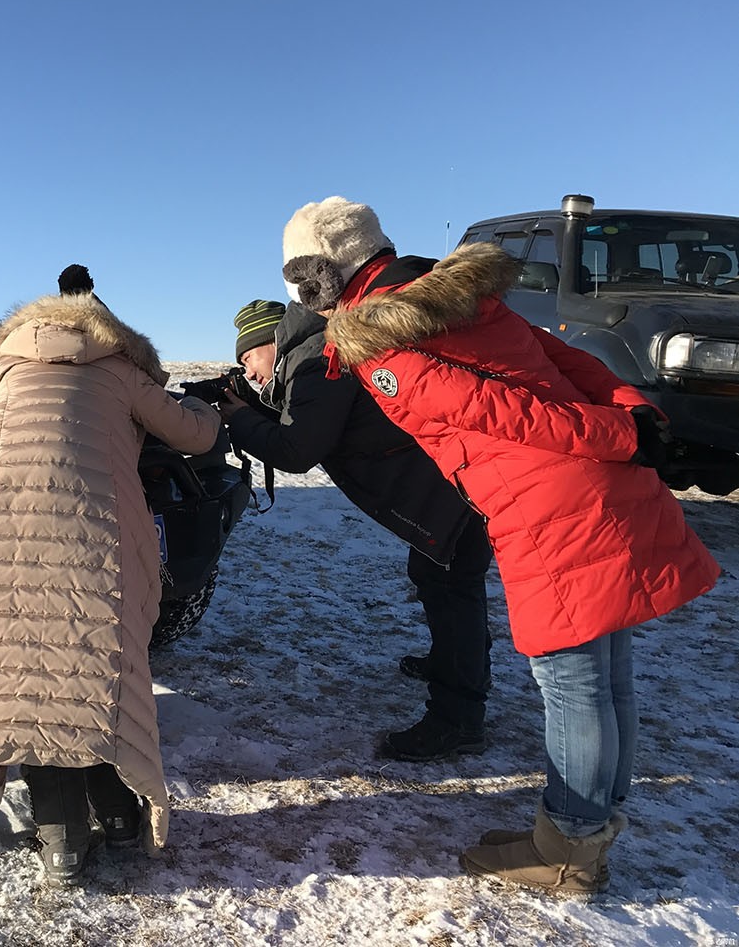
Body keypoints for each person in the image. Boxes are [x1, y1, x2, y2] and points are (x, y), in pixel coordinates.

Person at [280, 195, 720, 896]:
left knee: (572, 680)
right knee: (607, 670)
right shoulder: (461, 297)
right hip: (600, 486)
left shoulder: (380, 342)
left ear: (320, 277)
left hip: (549, 507)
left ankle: (568, 848)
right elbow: (565, 359)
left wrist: (621, 433)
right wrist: (633, 413)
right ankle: (591, 822)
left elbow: (501, 413)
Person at [0, 265, 222, 886]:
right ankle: (120, 814)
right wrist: (206, 403)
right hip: (91, 523)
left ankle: (62, 834)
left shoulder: (3, 370)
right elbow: (196, 435)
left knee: (20, 666)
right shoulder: (120, 368)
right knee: (93, 658)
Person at [218, 297, 494, 761]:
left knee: (453, 588)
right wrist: (253, 406)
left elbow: (296, 449)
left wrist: (238, 419)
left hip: (451, 487)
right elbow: (311, 419)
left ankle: (458, 717)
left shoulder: (315, 362)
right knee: (437, 578)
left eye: (249, 358)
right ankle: (455, 662)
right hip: (449, 483)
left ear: (272, 341)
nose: (250, 372)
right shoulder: (318, 353)